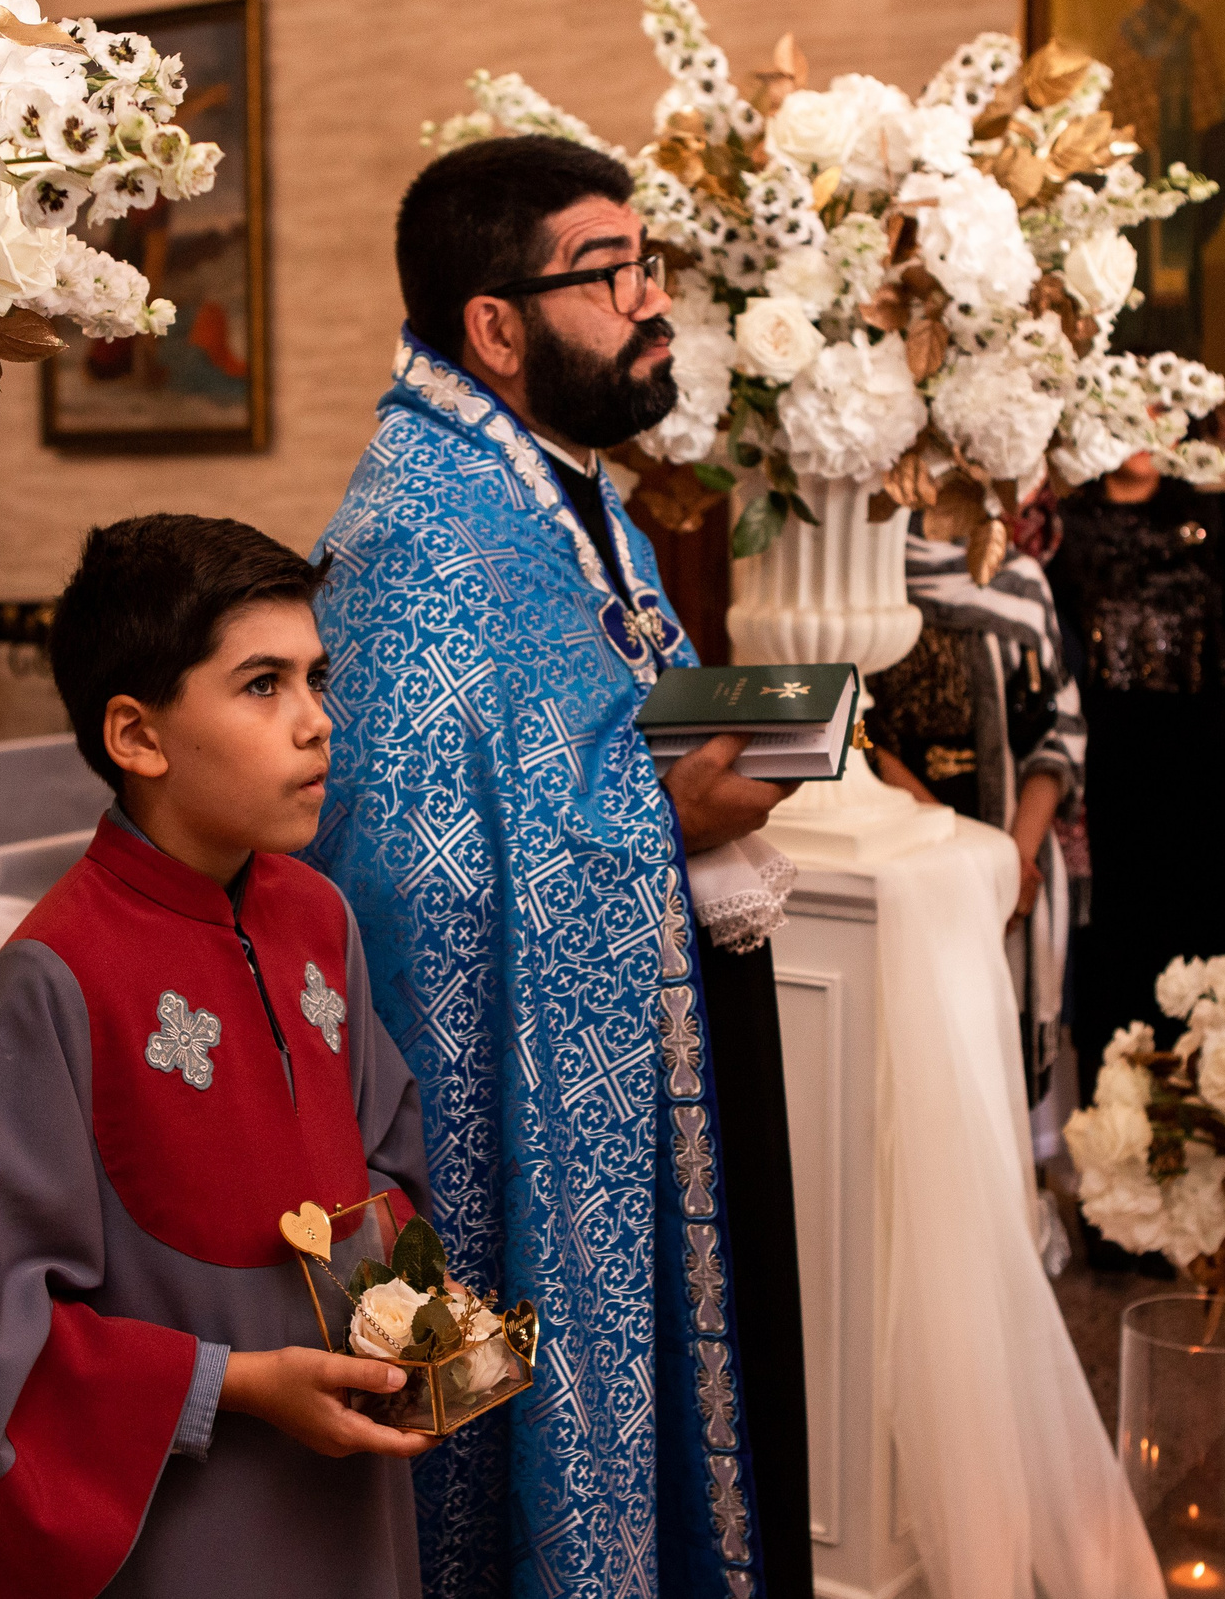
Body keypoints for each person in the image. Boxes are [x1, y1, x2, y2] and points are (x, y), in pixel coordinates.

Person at [306, 136, 810, 1599]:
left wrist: (696, 768)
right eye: (610, 274)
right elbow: (415, 868)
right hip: (491, 1103)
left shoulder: (555, 491)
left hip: (645, 1038)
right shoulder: (418, 541)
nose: (651, 303)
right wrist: (670, 824)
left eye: (650, 267)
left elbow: (597, 730)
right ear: (496, 325)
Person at [0, 516, 435, 1599]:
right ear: (137, 734)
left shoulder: (319, 918)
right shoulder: (51, 979)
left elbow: (385, 1161)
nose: (317, 722)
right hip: (181, 1511)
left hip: (345, 1480)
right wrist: (235, 1383)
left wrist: (407, 1316)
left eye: (317, 678)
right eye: (262, 684)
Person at [1048, 415, 1225, 1111]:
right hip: (1105, 785)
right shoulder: (1062, 525)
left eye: (1157, 410)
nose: (1141, 428)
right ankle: (1114, 1164)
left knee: (1211, 982)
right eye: (1125, 408)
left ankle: (1203, 1157)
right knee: (1113, 984)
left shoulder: (1211, 516)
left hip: (1208, 783)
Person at [864, 532, 1088, 1118]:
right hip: (904, 849)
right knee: (922, 1067)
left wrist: (1014, 857)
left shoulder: (1018, 576)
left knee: (999, 1072)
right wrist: (961, 855)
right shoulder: (863, 571)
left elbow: (1059, 727)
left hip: (1018, 856)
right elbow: (853, 732)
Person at [1104, 0, 1225, 359]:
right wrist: (1141, 133)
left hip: (1183, 154)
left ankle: (1181, 339)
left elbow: (1209, 95)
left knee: (1179, 254)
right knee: (1141, 251)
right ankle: (1135, 338)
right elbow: (1115, 99)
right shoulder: (1128, 33)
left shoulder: (1190, 28)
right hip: (1141, 162)